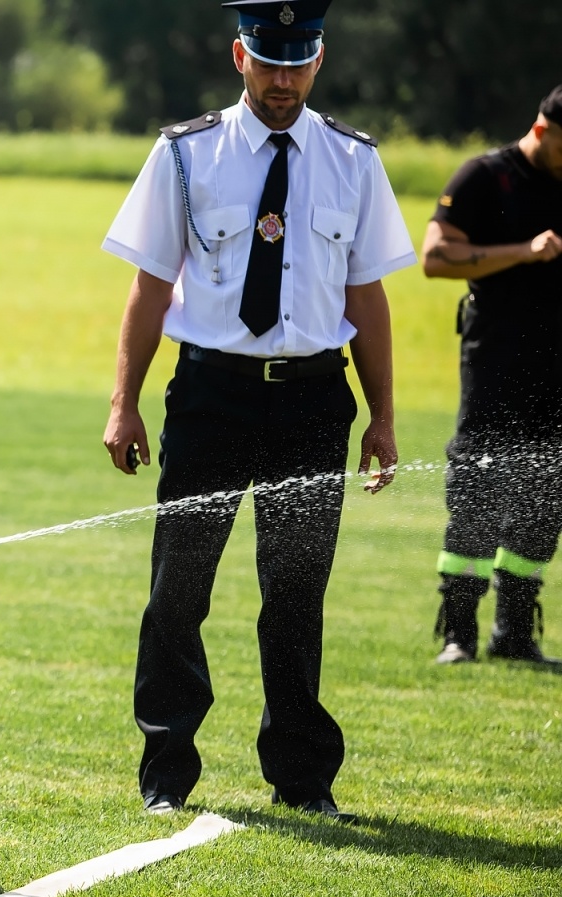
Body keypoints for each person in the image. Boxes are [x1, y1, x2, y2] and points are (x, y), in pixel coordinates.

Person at [99, 0, 416, 821]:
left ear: (319, 61)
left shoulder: (354, 160)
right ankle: (166, 771)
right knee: (179, 589)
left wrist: (381, 417)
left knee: (297, 589)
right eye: (268, 61)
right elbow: (147, 288)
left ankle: (303, 778)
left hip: (314, 402)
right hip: (210, 397)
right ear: (240, 55)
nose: (283, 80)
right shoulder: (184, 154)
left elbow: (367, 297)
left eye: (297, 62)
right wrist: (122, 404)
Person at [422, 85, 562, 669]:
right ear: (542, 129)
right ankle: (460, 634)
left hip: (556, 370)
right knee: (478, 495)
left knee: (543, 504)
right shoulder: (485, 176)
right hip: (497, 360)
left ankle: (514, 635)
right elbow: (435, 257)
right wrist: (524, 252)